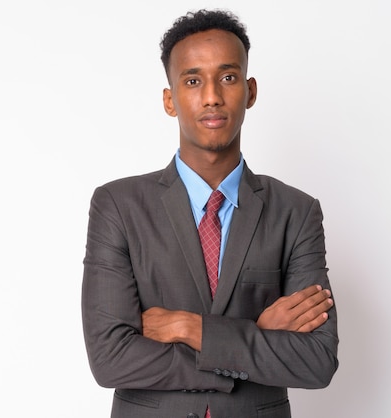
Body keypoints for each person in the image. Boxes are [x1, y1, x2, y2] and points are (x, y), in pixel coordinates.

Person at [81, 9, 338, 418]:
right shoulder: (118, 205)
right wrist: (254, 337)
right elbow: (111, 357)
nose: (212, 95)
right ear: (170, 99)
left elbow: (316, 360)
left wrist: (189, 328)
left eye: (229, 77)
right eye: (193, 80)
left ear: (250, 92)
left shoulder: (297, 212)